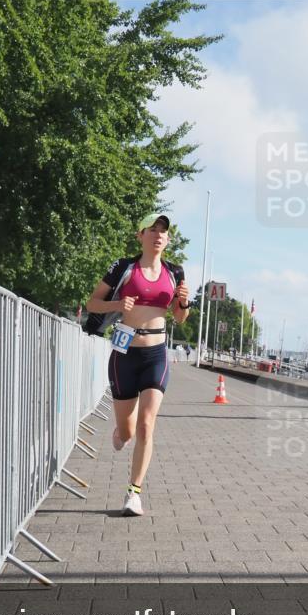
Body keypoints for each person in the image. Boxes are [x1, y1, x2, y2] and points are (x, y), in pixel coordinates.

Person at [84, 213, 190, 517]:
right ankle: (120, 433)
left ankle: (134, 493)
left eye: (163, 232)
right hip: (124, 352)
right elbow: (92, 303)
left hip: (156, 353)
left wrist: (183, 303)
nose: (158, 235)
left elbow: (180, 319)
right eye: (152, 230)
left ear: (168, 240)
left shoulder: (175, 272)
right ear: (140, 235)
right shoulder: (123, 267)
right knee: (128, 432)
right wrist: (118, 305)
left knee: (147, 423)